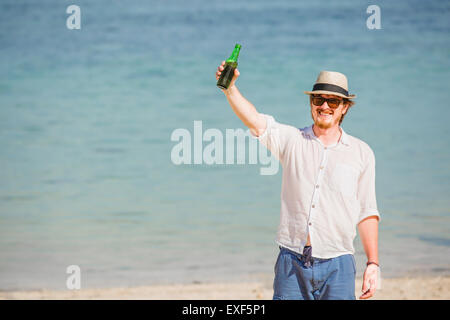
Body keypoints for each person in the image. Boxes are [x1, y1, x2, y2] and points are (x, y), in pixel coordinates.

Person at [215, 62, 380, 300]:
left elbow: (367, 212)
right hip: (291, 262)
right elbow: (254, 120)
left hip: (339, 265)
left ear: (344, 107)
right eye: (318, 100)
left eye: (333, 101)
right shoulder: (292, 140)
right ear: (311, 104)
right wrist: (230, 89)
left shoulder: (361, 152)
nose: (324, 106)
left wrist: (373, 263)